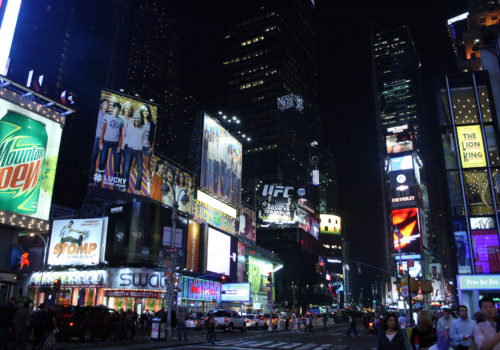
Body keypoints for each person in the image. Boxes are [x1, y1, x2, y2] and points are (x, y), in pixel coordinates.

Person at [98, 102, 124, 183]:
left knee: (117, 164)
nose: (117, 110)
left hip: (116, 144)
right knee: (102, 162)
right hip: (106, 142)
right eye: (115, 108)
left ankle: (116, 184)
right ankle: (98, 181)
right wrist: (101, 142)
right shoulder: (107, 117)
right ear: (113, 109)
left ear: (119, 111)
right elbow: (103, 130)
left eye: (118, 109)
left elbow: (121, 134)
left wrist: (119, 145)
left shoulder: (121, 120)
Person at [122, 113, 146, 194]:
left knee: (140, 170)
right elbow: (127, 137)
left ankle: (137, 189)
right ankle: (125, 187)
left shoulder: (143, 129)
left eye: (138, 121)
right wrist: (123, 144)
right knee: (126, 169)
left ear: (140, 121)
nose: (137, 122)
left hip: (139, 150)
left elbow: (142, 140)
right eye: (135, 121)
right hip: (130, 149)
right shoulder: (131, 127)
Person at [90, 99, 110, 177]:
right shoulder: (97, 112)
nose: (107, 105)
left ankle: (98, 178)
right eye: (105, 103)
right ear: (101, 105)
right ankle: (91, 177)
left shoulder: (109, 115)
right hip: (96, 139)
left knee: (102, 161)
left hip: (104, 141)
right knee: (93, 159)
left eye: (108, 104)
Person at [140, 105, 155, 187]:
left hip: (147, 147)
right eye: (144, 111)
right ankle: (127, 182)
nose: (146, 112)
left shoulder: (152, 124)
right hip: (138, 145)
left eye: (147, 111)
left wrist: (152, 147)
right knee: (133, 164)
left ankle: (148, 186)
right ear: (142, 112)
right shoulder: (139, 121)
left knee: (147, 166)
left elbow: (153, 137)